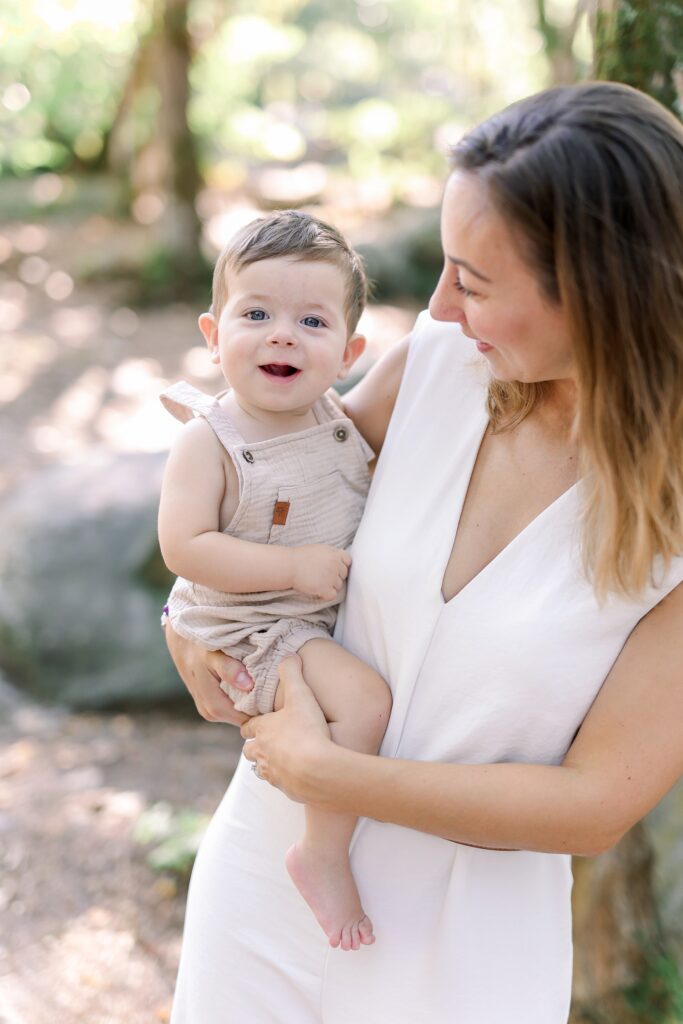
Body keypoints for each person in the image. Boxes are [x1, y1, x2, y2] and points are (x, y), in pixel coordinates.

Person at [165, 82, 683, 1024]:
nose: (440, 305)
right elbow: (266, 510)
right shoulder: (434, 363)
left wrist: (335, 776)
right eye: (445, 268)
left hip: (465, 943)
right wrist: (188, 625)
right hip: (267, 874)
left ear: (603, 293)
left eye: (473, 281)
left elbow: (596, 803)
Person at [158, 211, 392, 952]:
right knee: (364, 702)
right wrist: (291, 568)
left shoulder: (336, 420)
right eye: (255, 313)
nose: (281, 333)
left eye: (310, 321)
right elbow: (184, 546)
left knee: (354, 700)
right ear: (212, 333)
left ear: (349, 352)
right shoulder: (211, 440)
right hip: (247, 627)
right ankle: (320, 851)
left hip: (296, 619)